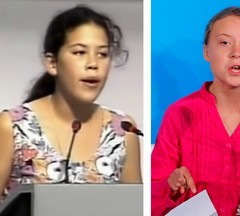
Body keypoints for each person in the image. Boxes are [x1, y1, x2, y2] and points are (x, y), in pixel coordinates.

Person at [151, 6, 240, 216]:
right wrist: (170, 185)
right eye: (224, 43)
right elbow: (151, 194)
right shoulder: (179, 113)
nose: (236, 53)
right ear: (206, 51)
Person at [0, 5, 142, 201]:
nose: (93, 64)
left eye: (102, 54)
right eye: (79, 52)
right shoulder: (13, 126)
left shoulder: (123, 130)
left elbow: (132, 207)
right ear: (52, 63)